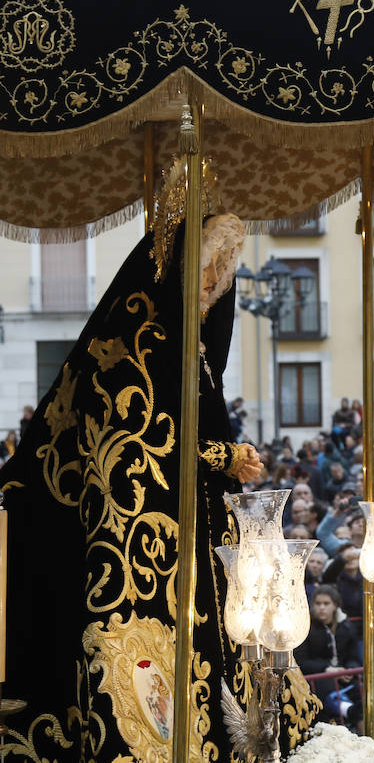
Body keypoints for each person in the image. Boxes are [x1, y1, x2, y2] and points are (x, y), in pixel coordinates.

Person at [0, 192, 320, 761]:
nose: (215, 280)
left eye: (223, 270)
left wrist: (229, 457)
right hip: (143, 535)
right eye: (206, 266)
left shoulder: (195, 348)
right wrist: (222, 457)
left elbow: (196, 427)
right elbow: (135, 438)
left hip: (204, 528)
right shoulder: (132, 342)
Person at [294, 586, 362, 723]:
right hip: (317, 679)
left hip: (344, 677)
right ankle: (346, 709)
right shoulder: (305, 628)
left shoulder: (346, 627)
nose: (322, 608)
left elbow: (353, 656)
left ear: (335, 605)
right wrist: (327, 668)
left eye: (326, 603)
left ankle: (368, 736)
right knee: (326, 685)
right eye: (318, 604)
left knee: (362, 693)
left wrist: (349, 670)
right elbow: (301, 661)